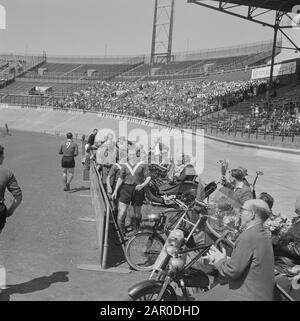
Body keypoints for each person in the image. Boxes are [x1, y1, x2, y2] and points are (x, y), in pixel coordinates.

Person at [205, 199, 274, 301]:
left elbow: (232, 271)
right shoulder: (264, 235)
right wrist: (226, 260)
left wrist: (218, 261)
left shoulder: (247, 237)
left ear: (251, 214)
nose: (240, 213)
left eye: (242, 210)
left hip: (245, 296)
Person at [112, 148, 151, 236]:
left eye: (133, 154)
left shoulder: (143, 164)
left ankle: (136, 230)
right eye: (129, 154)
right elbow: (121, 178)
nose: (131, 156)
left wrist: (142, 185)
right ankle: (121, 233)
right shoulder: (125, 165)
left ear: (137, 155)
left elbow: (148, 177)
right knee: (121, 213)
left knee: (137, 214)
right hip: (126, 189)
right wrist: (115, 191)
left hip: (138, 190)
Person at [0, 145, 22, 233]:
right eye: (3, 155)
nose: (4, 158)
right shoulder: (7, 173)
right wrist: (10, 211)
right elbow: (18, 197)